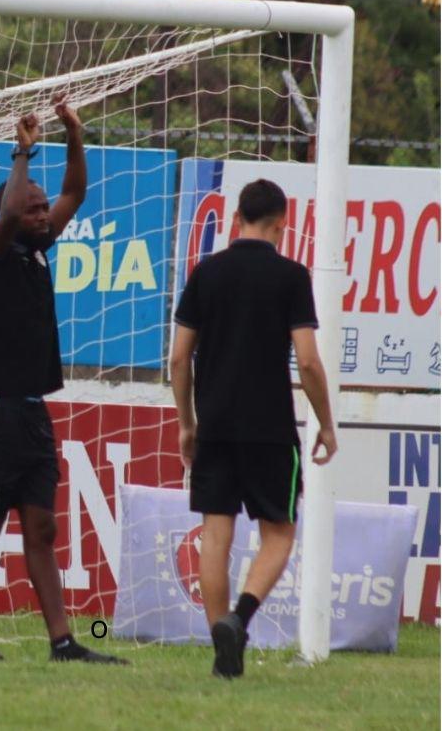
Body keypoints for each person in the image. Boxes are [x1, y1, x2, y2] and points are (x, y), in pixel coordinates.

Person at [0, 95, 126, 665]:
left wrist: (73, 135)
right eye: (32, 207)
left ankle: (63, 642)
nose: (42, 211)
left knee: (44, 526)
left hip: (30, 412)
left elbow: (74, 191)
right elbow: (8, 215)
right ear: (10, 209)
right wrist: (22, 153)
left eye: (40, 207)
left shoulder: (38, 247)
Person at [170, 178, 338, 679]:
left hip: (215, 426)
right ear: (281, 226)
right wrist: (326, 425)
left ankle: (225, 652)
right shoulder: (290, 276)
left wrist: (186, 423)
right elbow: (307, 361)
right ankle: (240, 621)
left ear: (236, 218)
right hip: (269, 428)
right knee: (279, 535)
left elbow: (179, 357)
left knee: (215, 535)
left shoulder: (207, 273)